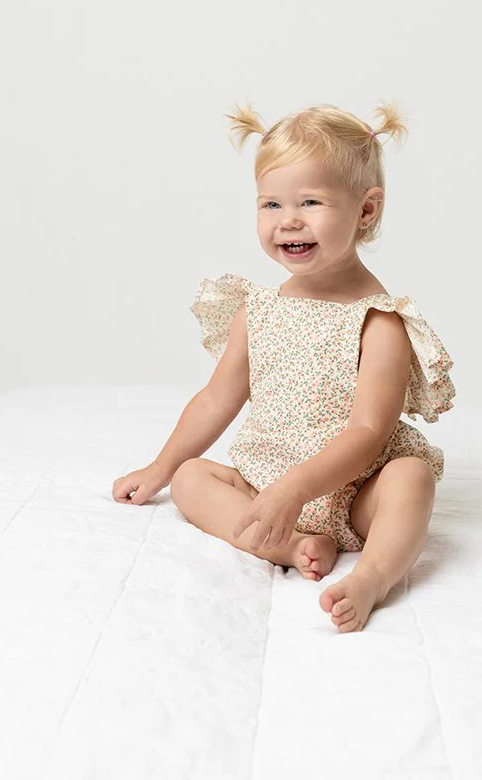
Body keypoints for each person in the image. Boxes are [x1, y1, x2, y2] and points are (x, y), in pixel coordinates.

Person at [112, 100, 456, 634]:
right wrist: (158, 468)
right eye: (270, 204)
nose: (287, 220)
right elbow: (215, 399)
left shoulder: (378, 322)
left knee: (411, 479)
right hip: (264, 487)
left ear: (366, 211)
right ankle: (292, 546)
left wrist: (297, 490)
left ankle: (373, 576)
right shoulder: (260, 309)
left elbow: (368, 433)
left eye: (311, 201)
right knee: (190, 479)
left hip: (352, 494)